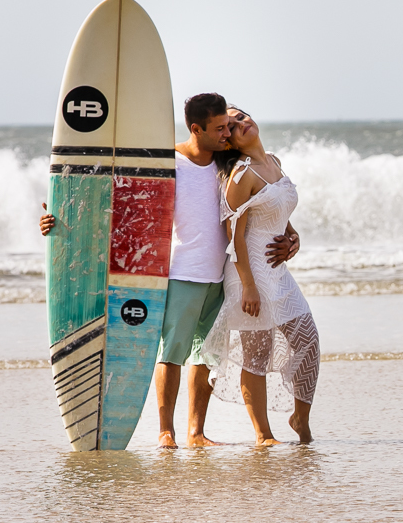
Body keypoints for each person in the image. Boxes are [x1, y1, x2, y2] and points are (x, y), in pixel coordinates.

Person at [40, 93, 300, 448]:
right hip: (183, 273)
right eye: (220, 128)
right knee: (173, 352)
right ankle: (166, 432)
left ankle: (196, 433)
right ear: (197, 129)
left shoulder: (228, 163)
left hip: (220, 275)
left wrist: (291, 236)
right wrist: (61, 219)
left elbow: (265, 206)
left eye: (229, 126)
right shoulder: (170, 161)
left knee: (206, 356)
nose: (228, 133)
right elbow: (120, 198)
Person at [200, 105, 319, 445]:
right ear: (229, 142)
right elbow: (233, 235)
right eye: (232, 126)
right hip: (248, 272)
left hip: (278, 270)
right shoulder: (241, 175)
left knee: (308, 341)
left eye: (241, 117)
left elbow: (280, 210)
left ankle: (300, 417)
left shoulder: (274, 162)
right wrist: (249, 287)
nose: (241, 124)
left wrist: (294, 238)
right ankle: (263, 434)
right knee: (257, 353)